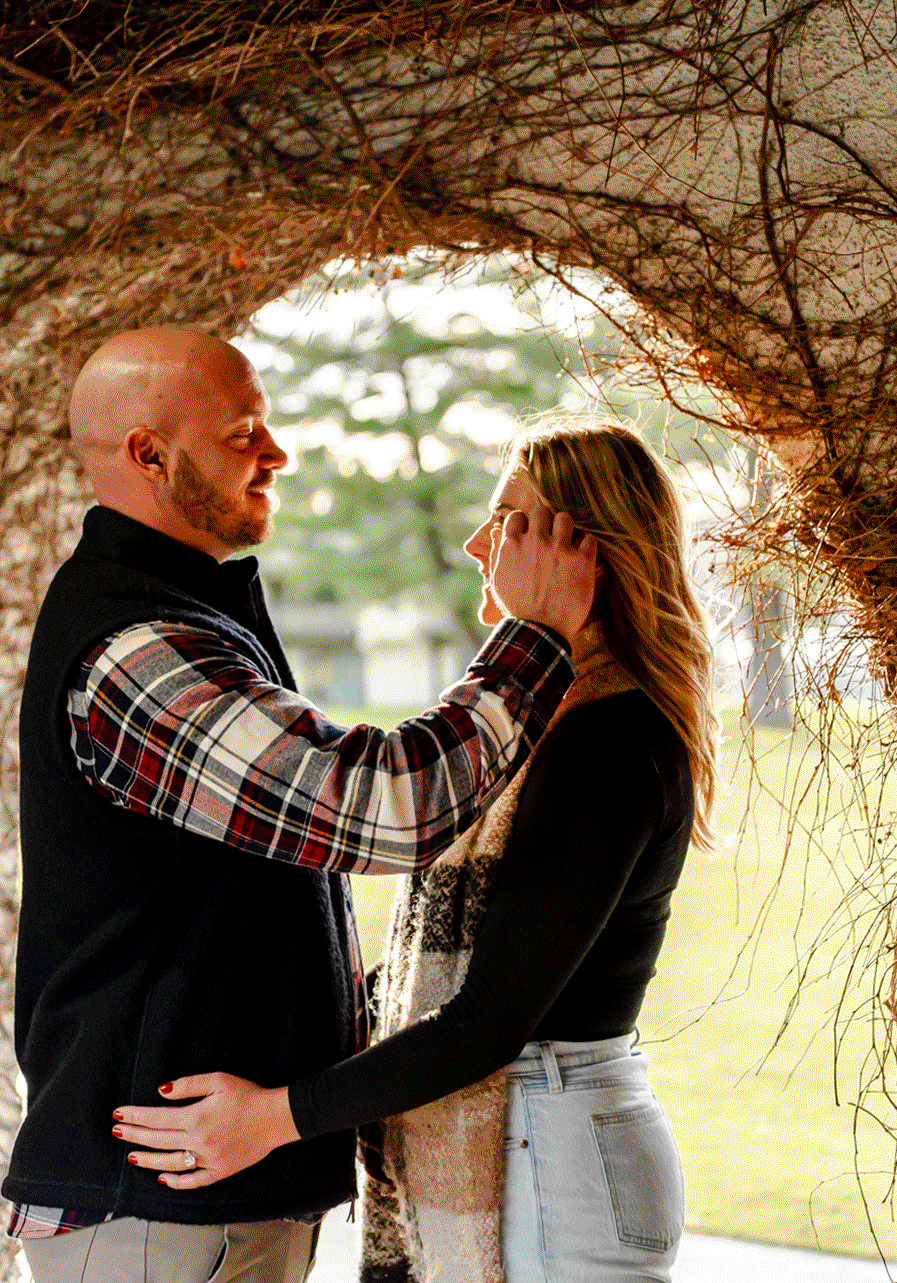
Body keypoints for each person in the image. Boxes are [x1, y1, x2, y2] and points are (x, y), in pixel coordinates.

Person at [3, 328, 600, 1283]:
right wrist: (535, 635)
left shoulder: (197, 610)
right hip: (155, 1203)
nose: (275, 452)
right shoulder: (135, 647)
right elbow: (384, 805)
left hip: (213, 1190)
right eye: (245, 433)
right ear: (149, 453)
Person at [115, 418, 720, 1283]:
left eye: (508, 520)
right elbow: (428, 978)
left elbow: (485, 1020)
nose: (478, 542)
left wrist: (275, 1116)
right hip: (533, 1135)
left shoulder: (607, 738)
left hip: (553, 1155)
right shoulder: (542, 724)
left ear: (584, 550)